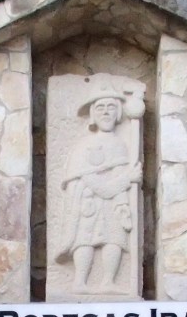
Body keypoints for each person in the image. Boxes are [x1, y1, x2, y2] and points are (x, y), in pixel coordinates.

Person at [54, 77, 143, 291]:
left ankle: (109, 282)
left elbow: (121, 177)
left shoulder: (122, 145)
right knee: (85, 239)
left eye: (111, 107)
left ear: (119, 112)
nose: (106, 112)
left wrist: (123, 203)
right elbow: (90, 181)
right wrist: (127, 179)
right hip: (88, 203)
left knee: (115, 238)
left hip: (114, 204)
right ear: (93, 113)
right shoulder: (84, 146)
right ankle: (80, 282)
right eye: (100, 107)